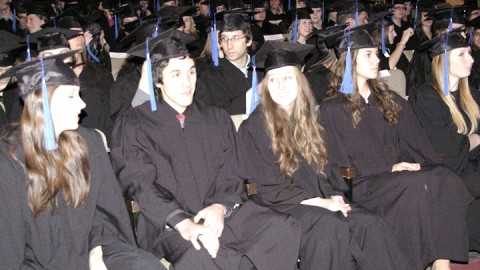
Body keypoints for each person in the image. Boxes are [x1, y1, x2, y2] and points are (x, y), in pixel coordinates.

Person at [110, 34, 302, 269]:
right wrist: (183, 222)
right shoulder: (134, 123)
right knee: (205, 254)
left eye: (191, 72)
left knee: (281, 227)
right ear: (157, 81)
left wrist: (219, 206)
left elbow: (231, 171)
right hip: (168, 224)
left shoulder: (215, 118)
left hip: (218, 214)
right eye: (176, 74)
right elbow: (139, 183)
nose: (187, 82)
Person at [238, 41, 408, 270]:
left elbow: (329, 169)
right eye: (273, 80)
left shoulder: (311, 121)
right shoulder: (254, 127)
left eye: (288, 78)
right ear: (265, 86)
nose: (281, 86)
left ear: (300, 81)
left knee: (370, 223)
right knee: (329, 225)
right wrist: (319, 202)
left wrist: (334, 196)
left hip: (320, 202)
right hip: (281, 208)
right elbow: (267, 186)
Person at [320, 28, 472, 270]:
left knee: (444, 178)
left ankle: (441, 264)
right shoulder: (332, 109)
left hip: (397, 175)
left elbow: (415, 143)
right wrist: (390, 167)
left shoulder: (389, 99)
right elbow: (337, 159)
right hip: (363, 182)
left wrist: (420, 165)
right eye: (368, 55)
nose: (377, 59)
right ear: (350, 60)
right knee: (411, 185)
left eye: (376, 54)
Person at [0, 52, 165, 270]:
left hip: (91, 248)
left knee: (146, 266)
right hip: (35, 263)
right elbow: (9, 246)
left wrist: (96, 251)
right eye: (70, 96)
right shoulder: (9, 158)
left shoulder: (89, 143)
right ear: (42, 102)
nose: (81, 104)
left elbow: (103, 212)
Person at [408, 31, 480, 252]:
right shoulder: (427, 96)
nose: (471, 59)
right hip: (449, 170)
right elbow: (445, 150)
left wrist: (471, 140)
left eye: (469, 53)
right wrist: (474, 138)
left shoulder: (473, 95)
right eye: (461, 54)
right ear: (443, 59)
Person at [196, 12, 262, 115]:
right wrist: (258, 90)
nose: (229, 45)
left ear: (249, 41)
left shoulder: (263, 69)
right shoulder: (211, 76)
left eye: (236, 38)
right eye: (224, 38)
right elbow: (220, 115)